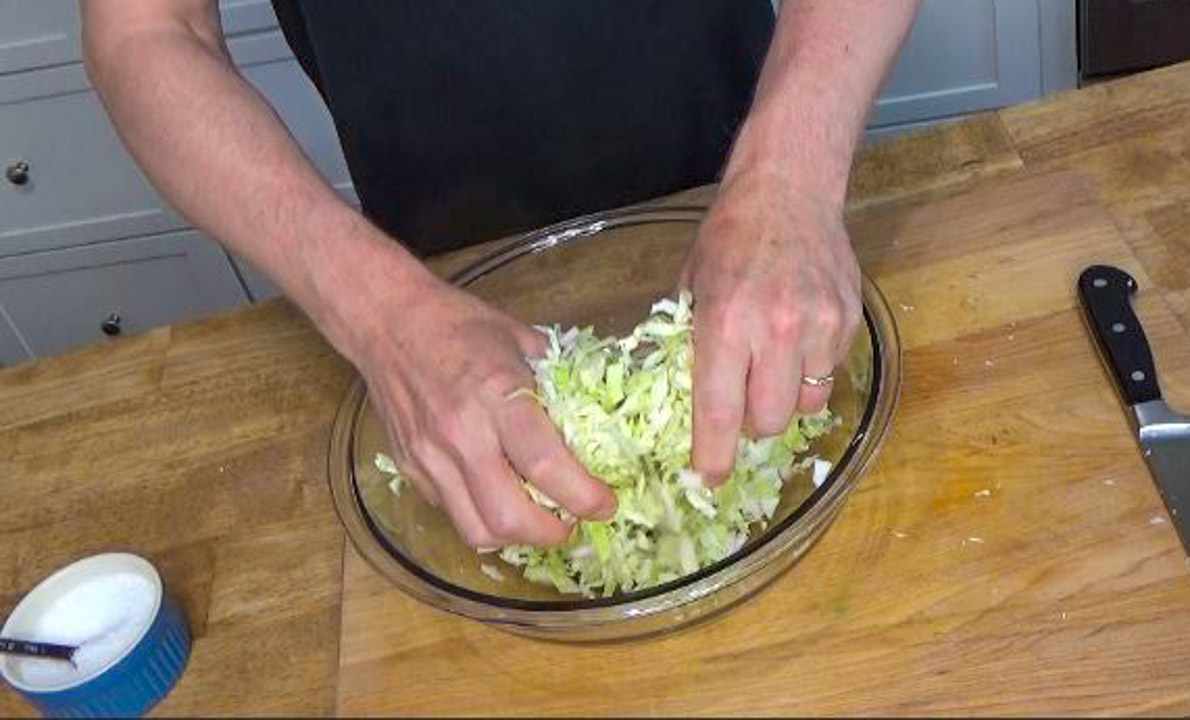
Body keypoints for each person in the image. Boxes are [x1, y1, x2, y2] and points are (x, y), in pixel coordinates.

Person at [81, 0, 921, 548]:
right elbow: (147, 34)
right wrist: (381, 314)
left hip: (753, 192)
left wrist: (789, 174)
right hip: (432, 282)